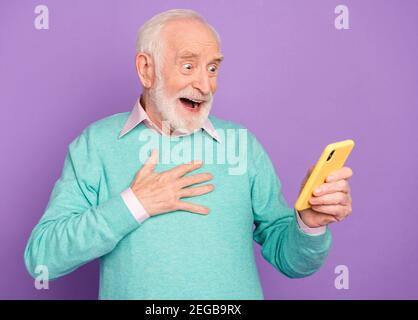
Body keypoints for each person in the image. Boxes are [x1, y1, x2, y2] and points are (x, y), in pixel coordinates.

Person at [24, 9, 353, 299]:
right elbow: (43, 258)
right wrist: (134, 204)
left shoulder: (243, 146)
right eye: (188, 65)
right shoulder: (95, 145)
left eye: (212, 68)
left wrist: (309, 224)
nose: (205, 85)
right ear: (146, 69)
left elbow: (293, 262)